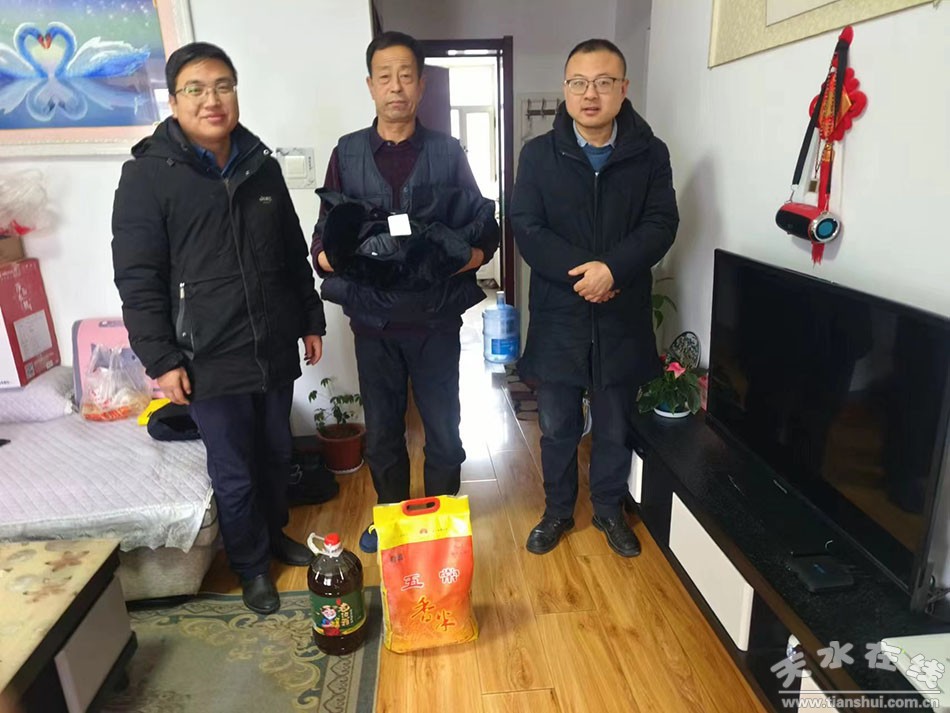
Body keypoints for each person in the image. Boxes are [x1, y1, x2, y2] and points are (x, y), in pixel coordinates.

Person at [112, 42, 326, 614]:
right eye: (196, 89)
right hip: (205, 353)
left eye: (223, 86)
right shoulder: (146, 176)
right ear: (174, 100)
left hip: (272, 342)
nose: (212, 100)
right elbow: (138, 278)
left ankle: (274, 536)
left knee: (277, 453)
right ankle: (251, 566)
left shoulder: (261, 166)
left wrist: (310, 318)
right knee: (233, 470)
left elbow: (291, 253)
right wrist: (162, 359)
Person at [311, 31, 499, 553]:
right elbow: (323, 235)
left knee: (444, 429)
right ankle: (391, 519)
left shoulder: (446, 151)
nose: (396, 87)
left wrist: (469, 258)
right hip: (373, 322)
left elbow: (483, 226)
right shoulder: (348, 152)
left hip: (436, 318)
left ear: (421, 84)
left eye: (406, 76)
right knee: (383, 433)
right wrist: (329, 257)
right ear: (370, 85)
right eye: (385, 77)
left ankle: (440, 520)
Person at [511, 39, 679, 558]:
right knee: (557, 426)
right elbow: (527, 227)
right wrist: (586, 274)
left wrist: (613, 270)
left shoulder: (650, 154)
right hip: (560, 314)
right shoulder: (539, 155)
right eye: (579, 83)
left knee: (614, 425)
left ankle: (608, 509)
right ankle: (558, 511)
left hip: (621, 312)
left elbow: (661, 223)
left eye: (603, 83)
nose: (591, 94)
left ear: (623, 89)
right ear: (565, 90)